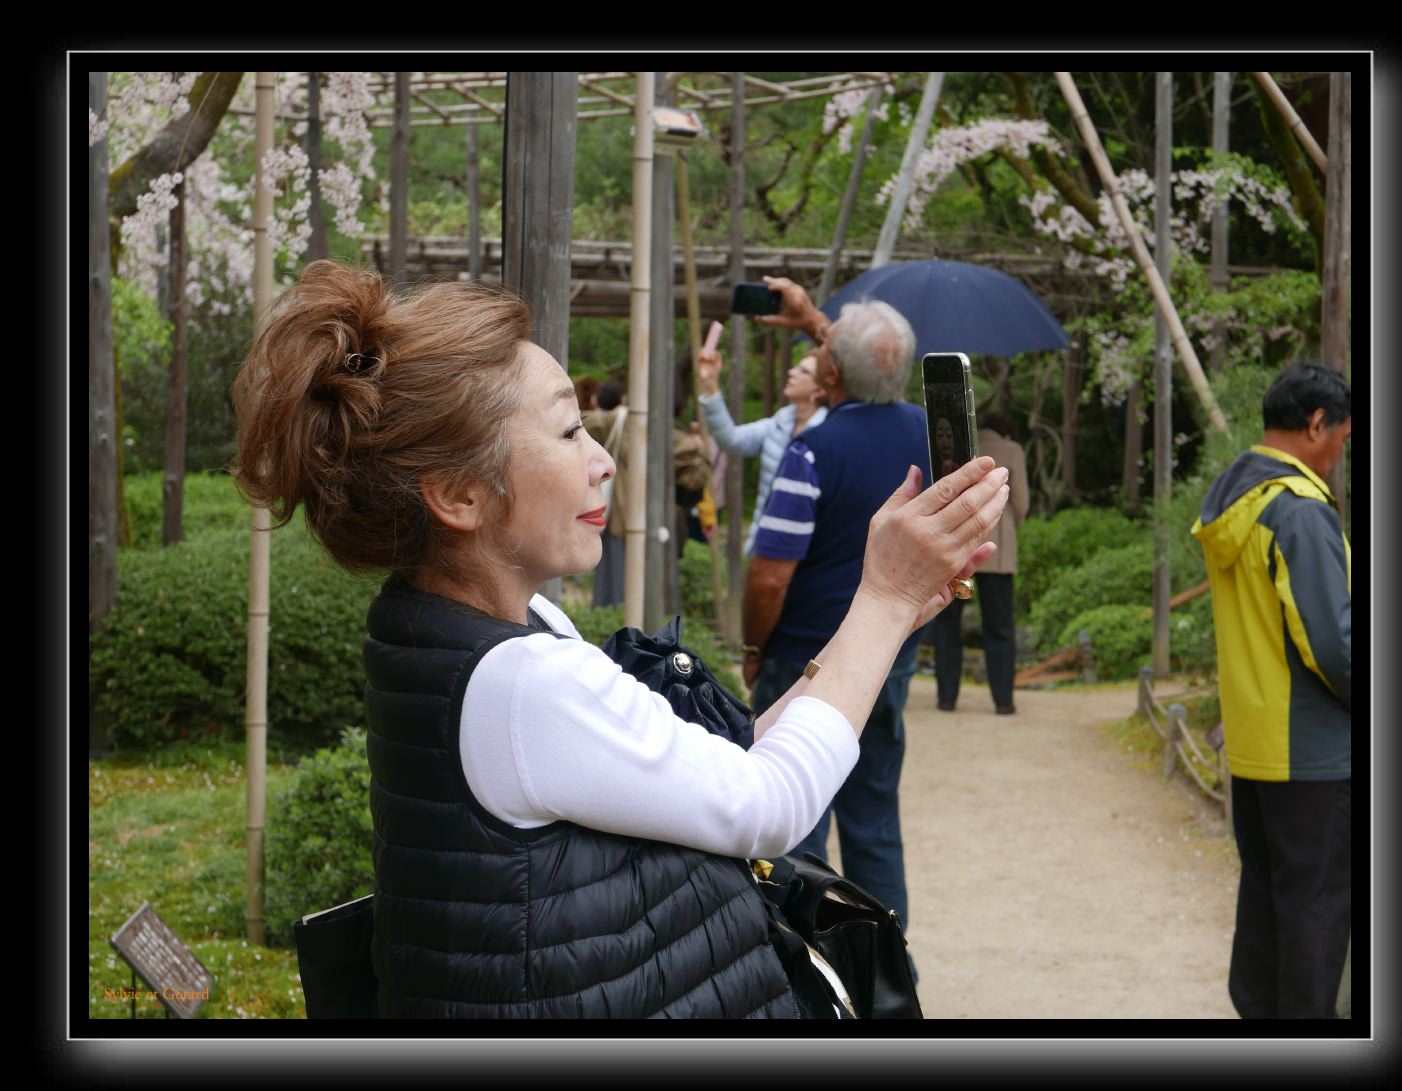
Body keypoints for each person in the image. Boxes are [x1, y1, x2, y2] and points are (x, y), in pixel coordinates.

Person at [230, 260, 1009, 1018]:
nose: (603, 461)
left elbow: (729, 767)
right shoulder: (519, 683)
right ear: (459, 494)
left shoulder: (477, 626)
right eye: (571, 430)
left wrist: (887, 617)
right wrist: (884, 596)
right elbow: (767, 806)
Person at [741, 275, 982, 944]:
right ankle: (888, 964)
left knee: (796, 822)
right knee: (875, 818)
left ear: (829, 374)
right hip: (892, 653)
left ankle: (799, 962)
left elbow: (768, 577)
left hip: (809, 661)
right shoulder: (931, 444)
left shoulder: (812, 450)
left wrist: (754, 646)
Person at [1190, 362, 1352, 1019]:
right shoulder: (1300, 513)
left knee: (1265, 901)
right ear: (1316, 424)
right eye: (1342, 436)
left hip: (1256, 745)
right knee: (1317, 910)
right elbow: (1334, 644)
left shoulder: (1238, 501)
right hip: (1312, 748)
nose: (1340, 451)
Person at [929, 411, 1030, 714]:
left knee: (949, 623)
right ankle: (1003, 701)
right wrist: (1009, 527)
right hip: (996, 557)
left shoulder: (962, 446)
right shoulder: (1012, 450)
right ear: (1007, 432)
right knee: (999, 626)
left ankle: (946, 698)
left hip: (961, 556)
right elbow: (1021, 502)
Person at [694, 349, 829, 555]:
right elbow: (731, 439)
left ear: (819, 390)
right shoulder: (780, 422)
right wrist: (711, 386)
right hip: (766, 540)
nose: (791, 372)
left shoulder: (828, 433)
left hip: (809, 548)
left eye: (803, 371)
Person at [583, 380, 629, 607]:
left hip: (615, 507)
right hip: (627, 507)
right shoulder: (628, 419)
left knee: (611, 566)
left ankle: (606, 610)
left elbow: (579, 423)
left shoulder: (612, 421)